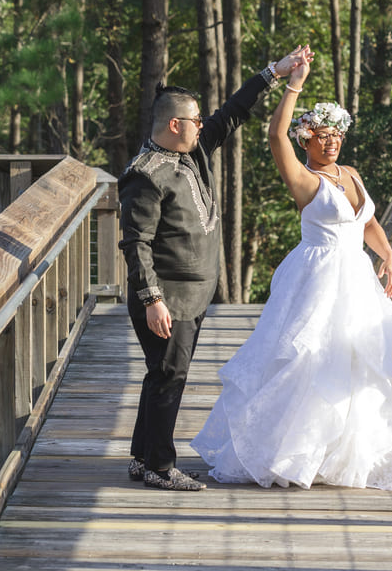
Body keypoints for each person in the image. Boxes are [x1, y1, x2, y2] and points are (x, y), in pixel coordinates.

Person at [190, 56, 392, 491]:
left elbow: (367, 223)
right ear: (307, 140)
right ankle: (298, 452)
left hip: (357, 279)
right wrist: (293, 85)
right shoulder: (306, 180)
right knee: (311, 361)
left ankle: (358, 452)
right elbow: (274, 136)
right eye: (323, 137)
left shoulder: (352, 174)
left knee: (365, 361)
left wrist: (390, 255)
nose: (332, 144)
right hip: (318, 279)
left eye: (337, 136)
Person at [119, 46, 315, 491]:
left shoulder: (194, 151)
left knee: (161, 374)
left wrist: (276, 73)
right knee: (170, 376)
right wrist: (152, 300)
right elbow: (136, 244)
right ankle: (161, 466)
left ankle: (141, 458)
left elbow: (232, 112)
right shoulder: (144, 174)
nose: (202, 124)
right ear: (174, 125)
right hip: (167, 297)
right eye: (194, 120)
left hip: (194, 295)